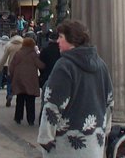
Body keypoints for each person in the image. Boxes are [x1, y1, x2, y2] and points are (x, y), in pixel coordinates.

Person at [37, 20, 113, 158]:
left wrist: (45, 138)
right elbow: (109, 101)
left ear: (72, 39)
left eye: (61, 37)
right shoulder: (101, 65)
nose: (58, 41)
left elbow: (53, 104)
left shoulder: (64, 66)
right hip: (94, 143)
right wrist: (104, 130)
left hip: (65, 145)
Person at [8, 35, 44, 126]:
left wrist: (12, 76)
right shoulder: (33, 55)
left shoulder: (18, 53)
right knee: (30, 101)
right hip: (31, 80)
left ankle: (18, 117)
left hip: (19, 79)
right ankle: (30, 119)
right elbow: (40, 65)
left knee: (20, 99)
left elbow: (12, 66)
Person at [0, 33, 24, 107]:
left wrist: (0, 68)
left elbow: (4, 58)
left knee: (10, 82)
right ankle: (20, 98)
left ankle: (9, 94)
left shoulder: (9, 45)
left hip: (11, 67)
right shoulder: (23, 45)